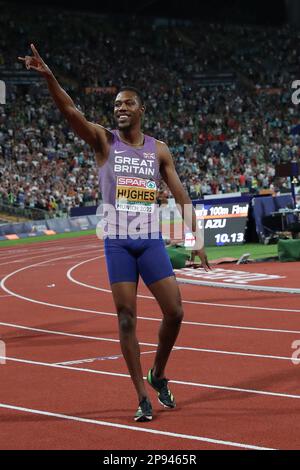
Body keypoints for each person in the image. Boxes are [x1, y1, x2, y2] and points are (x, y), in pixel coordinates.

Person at [18, 44, 211, 422]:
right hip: (119, 242)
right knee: (126, 318)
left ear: (141, 111)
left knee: (175, 312)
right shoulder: (104, 141)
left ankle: (158, 372)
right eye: (116, 105)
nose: (120, 109)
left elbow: (180, 193)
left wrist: (197, 236)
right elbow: (71, 111)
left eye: (127, 105)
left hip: (150, 239)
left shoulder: (159, 150)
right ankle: (141, 395)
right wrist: (49, 77)